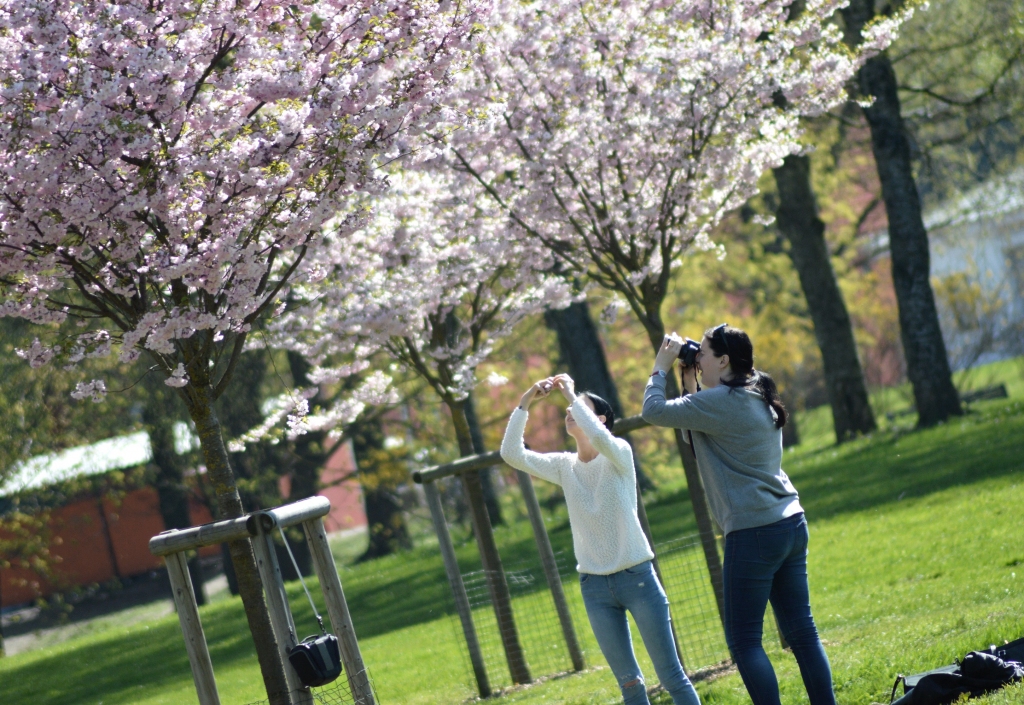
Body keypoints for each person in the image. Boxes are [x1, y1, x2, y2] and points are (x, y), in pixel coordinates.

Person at [642, 323, 836, 705]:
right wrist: (690, 380)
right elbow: (696, 428)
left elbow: (652, 411)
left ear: (725, 360)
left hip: (753, 532)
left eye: (705, 354)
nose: (698, 358)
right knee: (802, 633)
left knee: (745, 643)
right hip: (789, 521)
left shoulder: (720, 403)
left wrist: (661, 366)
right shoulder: (756, 388)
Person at [500, 373, 701, 705]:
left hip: (637, 579)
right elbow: (512, 454)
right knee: (630, 685)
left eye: (581, 408)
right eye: (569, 409)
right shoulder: (564, 467)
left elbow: (598, 436)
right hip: (594, 588)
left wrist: (570, 394)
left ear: (602, 418)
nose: (570, 412)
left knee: (672, 677)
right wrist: (525, 402)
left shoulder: (618, 454)